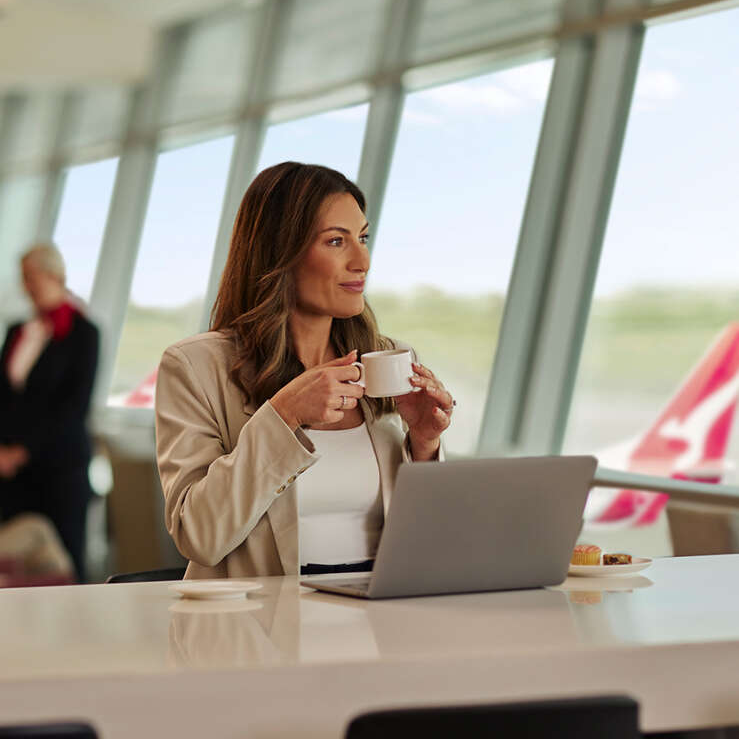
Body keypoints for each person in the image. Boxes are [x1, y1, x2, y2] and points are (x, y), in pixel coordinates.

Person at [156, 162, 455, 579]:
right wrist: (283, 417)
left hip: (380, 624)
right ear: (281, 253)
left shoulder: (390, 360)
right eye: (336, 241)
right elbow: (200, 536)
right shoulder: (196, 368)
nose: (361, 260)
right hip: (260, 630)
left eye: (363, 238)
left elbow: (431, 543)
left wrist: (424, 445)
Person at [0, 244, 99, 582]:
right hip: (13, 472)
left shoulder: (84, 333)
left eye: (32, 276)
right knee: (16, 566)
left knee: (66, 566)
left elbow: (73, 408)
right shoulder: (18, 331)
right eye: (23, 278)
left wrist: (21, 451)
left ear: (54, 275)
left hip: (59, 468)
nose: (27, 286)